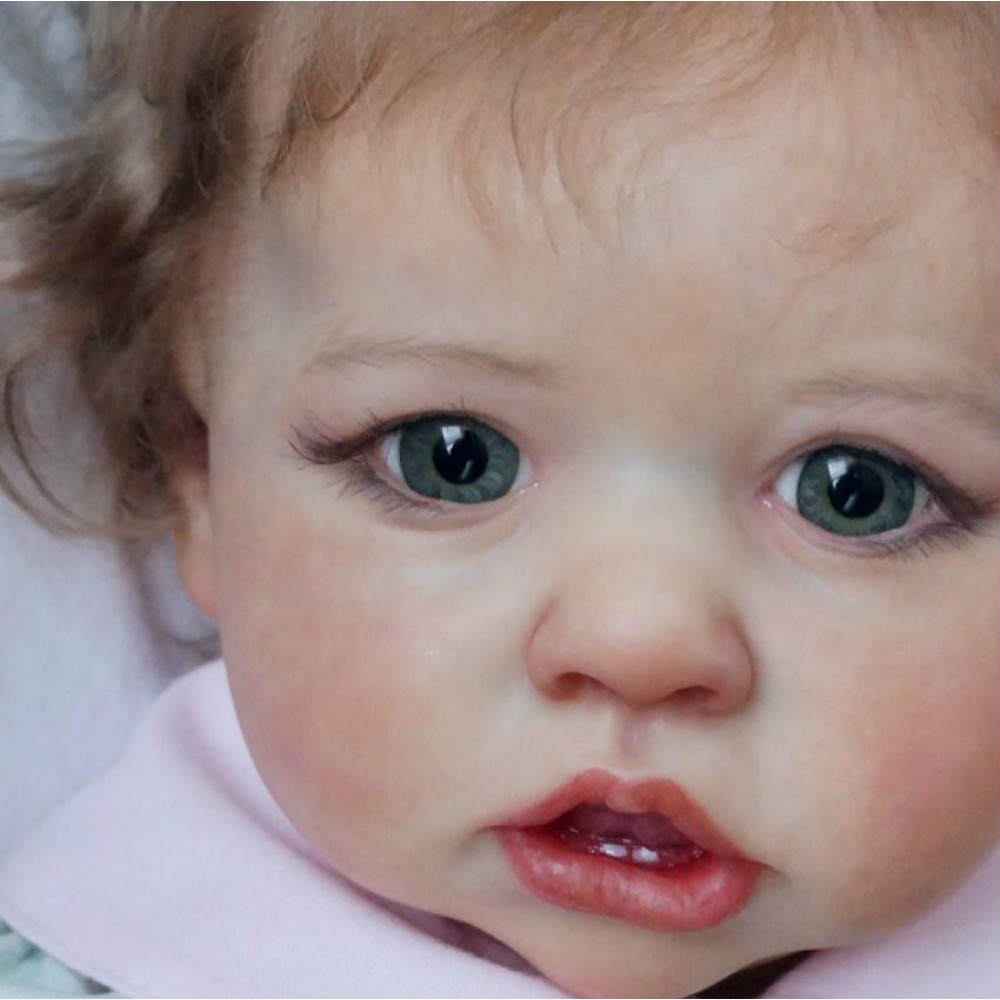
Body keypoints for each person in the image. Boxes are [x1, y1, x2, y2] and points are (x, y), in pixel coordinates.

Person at [1, 4, 998, 997]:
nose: (637, 642)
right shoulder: (116, 946)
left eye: (855, 492)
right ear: (200, 470)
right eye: (454, 459)